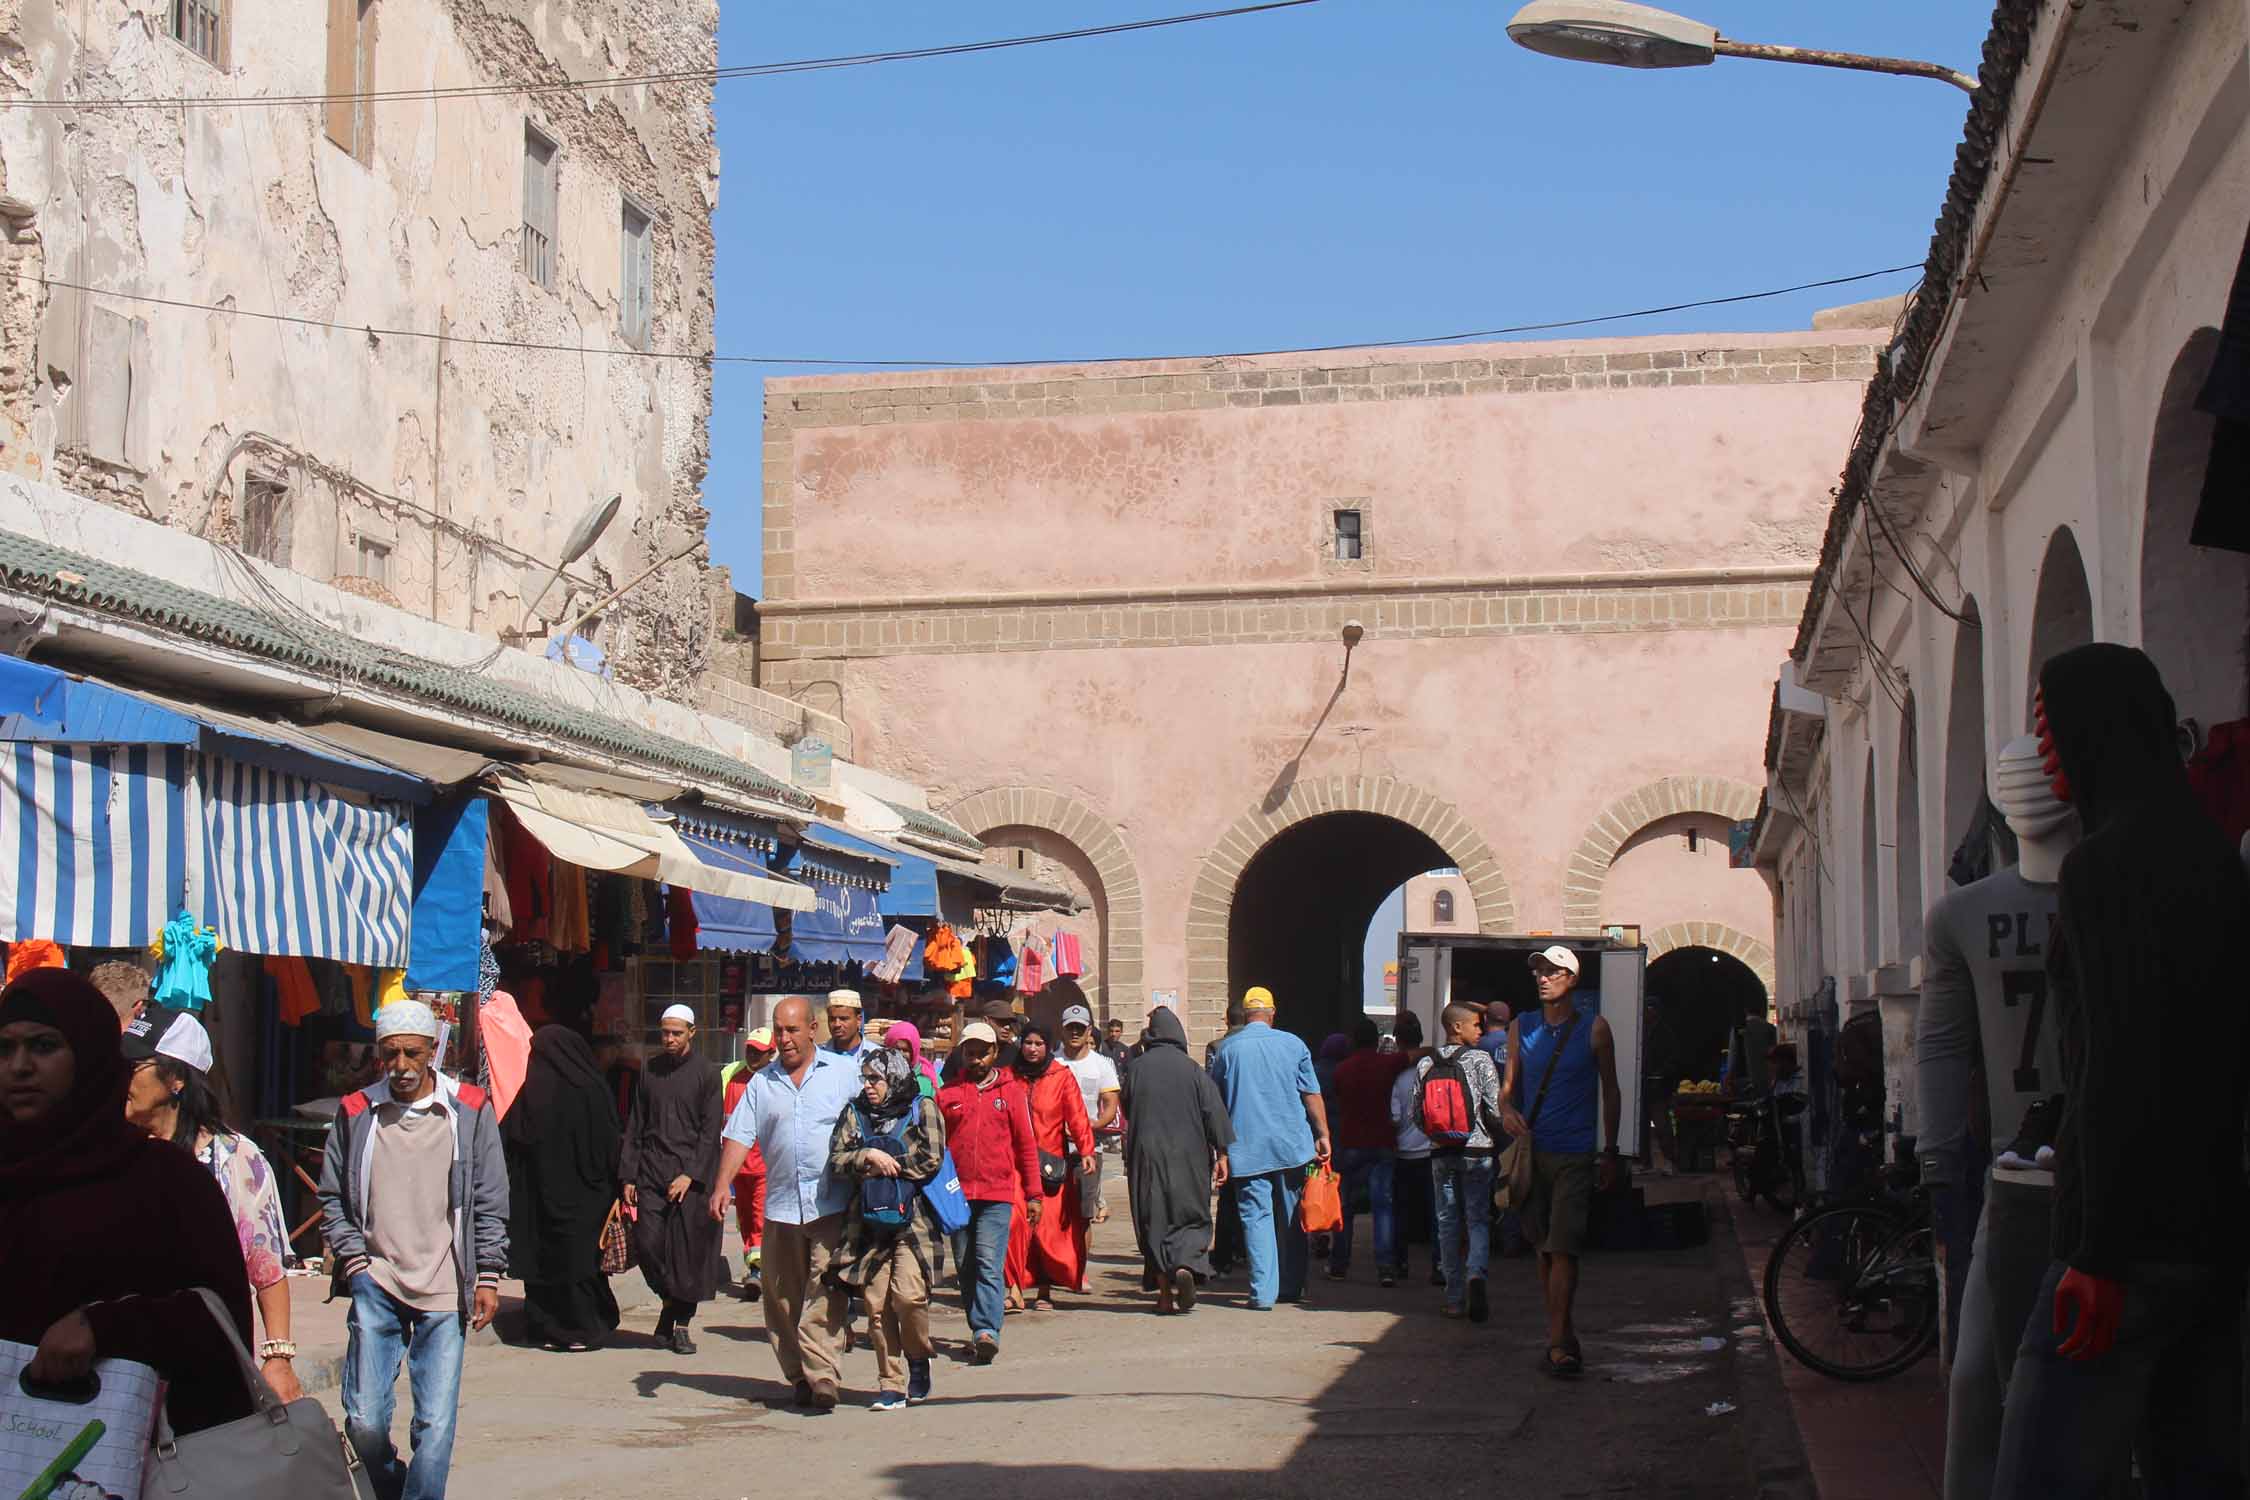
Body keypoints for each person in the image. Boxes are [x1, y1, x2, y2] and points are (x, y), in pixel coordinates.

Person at [1990, 645, 2250, 1498]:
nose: (2043, 749)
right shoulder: (2211, 854)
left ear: (2098, 734)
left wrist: (2096, 1253)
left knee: (2042, 1472)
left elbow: (2119, 1061)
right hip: (2211, 1234)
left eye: (2054, 731)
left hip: (2126, 1246)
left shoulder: (2105, 866)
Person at [4, 969, 256, 1440]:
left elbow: (222, 1329)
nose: (19, 1066)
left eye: (43, 1047)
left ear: (90, 1056)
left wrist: (108, 1328)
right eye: (5, 1049)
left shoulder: (167, 1182)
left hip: (128, 1461)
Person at [320, 998, 507, 1500]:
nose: (401, 1067)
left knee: (436, 1424)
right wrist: (354, 1261)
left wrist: (487, 1273)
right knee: (363, 1421)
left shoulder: (469, 1110)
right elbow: (332, 1195)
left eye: (411, 1054)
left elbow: (489, 1197)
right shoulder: (357, 1111)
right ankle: (390, 1485)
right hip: (376, 1279)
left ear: (433, 1052)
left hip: (445, 1287)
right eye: (391, 1055)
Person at [121, 1004, 304, 1399]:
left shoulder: (235, 1160)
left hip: (205, 1364)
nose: (120, 1079)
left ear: (176, 1079)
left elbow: (267, 1269)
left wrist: (278, 1358)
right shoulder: (110, 1151)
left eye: (133, 1067)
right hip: (120, 1362)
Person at [710, 996, 860, 1411]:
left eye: (793, 1030)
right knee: (781, 1299)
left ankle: (824, 1373)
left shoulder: (845, 1076)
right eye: (779, 1030)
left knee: (824, 1291)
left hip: (830, 1204)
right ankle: (798, 1375)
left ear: (814, 1029)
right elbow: (739, 1135)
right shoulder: (762, 1083)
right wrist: (723, 1184)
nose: (785, 1039)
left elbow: (871, 1122)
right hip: (780, 1207)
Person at [1500, 947, 1621, 1379]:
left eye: (1553, 972)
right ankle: (1562, 1331)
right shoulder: (1522, 1027)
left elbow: (1612, 1091)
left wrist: (1610, 1152)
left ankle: (1556, 1342)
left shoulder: (1595, 1030)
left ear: (1572, 978)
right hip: (1534, 1151)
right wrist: (1505, 1110)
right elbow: (1508, 1089)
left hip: (1575, 1152)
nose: (1543, 978)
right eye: (1539, 971)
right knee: (1542, 1247)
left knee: (1563, 1246)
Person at [827, 1047, 946, 1410]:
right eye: (865, 1078)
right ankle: (890, 1383)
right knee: (877, 1307)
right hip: (868, 1225)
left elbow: (932, 1158)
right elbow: (836, 1159)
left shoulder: (921, 1107)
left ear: (894, 1077)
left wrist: (887, 1164)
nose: (869, 1086)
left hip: (913, 1221)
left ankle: (918, 1358)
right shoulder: (856, 1112)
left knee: (908, 1298)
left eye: (875, 1078)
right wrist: (864, 1156)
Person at [502, 1021, 623, 1351]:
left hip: (539, 1201)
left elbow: (508, 1141)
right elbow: (611, 1146)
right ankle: (583, 1328)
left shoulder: (531, 1094)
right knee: (580, 1264)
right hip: (587, 1200)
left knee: (544, 1264)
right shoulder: (593, 1090)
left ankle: (549, 1329)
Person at [1209, 986, 1332, 1311]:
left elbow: (1217, 1104)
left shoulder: (1227, 1050)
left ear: (1246, 1015)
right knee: (1291, 1214)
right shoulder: (1294, 1045)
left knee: (1256, 1217)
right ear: (1272, 1013)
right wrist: (1323, 1134)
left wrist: (1220, 1150)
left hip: (1246, 1149)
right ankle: (1291, 1287)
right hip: (1291, 1146)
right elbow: (1311, 1094)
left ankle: (1263, 1292)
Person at [620, 1004, 724, 1354]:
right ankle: (670, 1302)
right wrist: (629, 1174)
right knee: (648, 1244)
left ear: (692, 1033)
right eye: (665, 1032)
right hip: (651, 1170)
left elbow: (711, 1133)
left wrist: (690, 1175)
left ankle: (680, 1324)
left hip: (690, 1179)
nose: (669, 1039)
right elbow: (636, 1122)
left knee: (686, 1255)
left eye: (677, 1033)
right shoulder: (650, 1069)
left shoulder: (707, 1074)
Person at [935, 1019, 1040, 1364]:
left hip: (997, 1193)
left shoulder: (1012, 1093)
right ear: (962, 1053)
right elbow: (937, 1147)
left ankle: (986, 1329)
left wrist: (1034, 1194)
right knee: (965, 1266)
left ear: (995, 1053)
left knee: (988, 1261)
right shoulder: (947, 1094)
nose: (976, 1059)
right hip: (958, 1196)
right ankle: (977, 1324)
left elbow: (1026, 1145)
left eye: (983, 1053)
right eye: (971, 1052)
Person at [1123, 1004, 1233, 1313]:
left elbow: (1127, 1108)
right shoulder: (1193, 1070)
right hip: (1190, 1156)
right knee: (1191, 1212)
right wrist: (1222, 1153)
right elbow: (1214, 1113)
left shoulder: (1136, 1068)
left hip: (1148, 1156)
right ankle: (1186, 1265)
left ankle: (1164, 1295)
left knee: (1153, 1218)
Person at [1417, 1002, 1505, 1320]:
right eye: (1475, 1025)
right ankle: (1476, 1274)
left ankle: (1454, 1299)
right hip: (1477, 1151)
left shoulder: (1426, 1062)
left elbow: (1418, 1112)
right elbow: (1495, 1108)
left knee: (1447, 1223)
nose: (1480, 1030)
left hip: (1441, 1153)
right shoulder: (1481, 1060)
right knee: (1478, 1219)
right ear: (1457, 1028)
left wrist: (1437, 1134)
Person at [1009, 1023, 1095, 1306]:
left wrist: (1086, 1150)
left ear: (1048, 1046)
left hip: (1050, 1167)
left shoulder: (1061, 1077)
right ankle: (1016, 1289)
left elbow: (1077, 1115)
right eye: (1028, 1043)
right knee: (1016, 1225)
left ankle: (1044, 1288)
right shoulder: (1010, 1076)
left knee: (1046, 1230)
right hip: (1015, 1166)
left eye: (1039, 1044)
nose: (1033, 1049)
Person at [1327, 1017, 1412, 1284]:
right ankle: (1386, 1267)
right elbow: (1418, 1054)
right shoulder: (1387, 1064)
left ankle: (1339, 1264)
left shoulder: (1342, 1070)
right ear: (1377, 1041)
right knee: (1383, 1207)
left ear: (1352, 1042)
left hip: (1350, 1143)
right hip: (1383, 1142)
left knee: (1345, 1207)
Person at [719, 1026, 775, 1299]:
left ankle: (759, 1271)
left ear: (771, 1054)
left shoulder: (774, 1080)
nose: (753, 1055)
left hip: (764, 1166)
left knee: (759, 1218)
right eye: (750, 1050)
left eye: (760, 1052)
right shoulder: (730, 1076)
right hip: (737, 1166)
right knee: (744, 1219)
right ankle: (754, 1266)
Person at [1386, 1009, 1439, 1288]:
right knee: (1437, 1212)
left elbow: (1394, 1118)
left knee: (1400, 1212)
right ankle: (1440, 1264)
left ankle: (1400, 1263)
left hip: (1404, 1153)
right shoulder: (1434, 1069)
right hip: (1432, 1151)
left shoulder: (1397, 1077)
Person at [1059, 1004, 1121, 1224]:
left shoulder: (1101, 1064)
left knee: (1083, 1217)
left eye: (1080, 1027)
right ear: (1062, 1030)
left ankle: (1080, 1259)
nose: (1074, 1032)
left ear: (1089, 1030)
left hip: (1089, 1148)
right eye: (1070, 1027)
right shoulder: (1053, 1062)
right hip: (1055, 1149)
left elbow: (1111, 1104)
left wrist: (1092, 1125)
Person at [886, 1019, 941, 1098]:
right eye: (896, 1049)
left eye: (905, 1050)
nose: (900, 1054)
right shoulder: (880, 1076)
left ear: (914, 1051)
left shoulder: (930, 1079)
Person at [826, 988, 871, 1061]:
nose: (837, 1024)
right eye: (832, 1019)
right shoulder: (818, 1055)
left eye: (843, 1019)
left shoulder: (877, 1055)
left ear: (859, 1020)